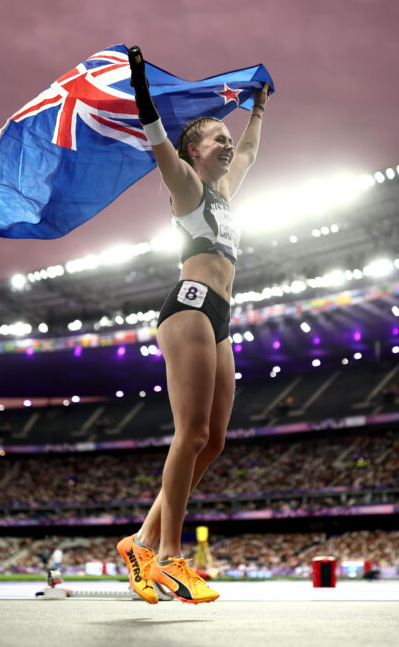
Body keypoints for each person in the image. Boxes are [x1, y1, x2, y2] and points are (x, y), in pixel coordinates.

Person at [116, 46, 269, 605]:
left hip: (222, 316)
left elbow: (250, 150)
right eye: (217, 138)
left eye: (227, 138)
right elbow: (156, 134)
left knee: (214, 441)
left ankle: (138, 543)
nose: (228, 145)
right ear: (193, 150)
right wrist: (140, 86)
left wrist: (258, 108)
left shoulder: (226, 194)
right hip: (189, 306)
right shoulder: (186, 185)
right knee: (192, 434)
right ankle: (169, 558)